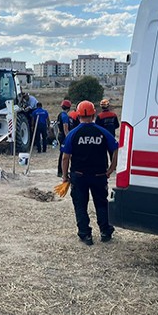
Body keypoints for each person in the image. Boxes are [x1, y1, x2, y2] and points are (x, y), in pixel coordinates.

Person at [61, 100, 118, 246]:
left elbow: (66, 157)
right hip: (99, 175)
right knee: (101, 203)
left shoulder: (73, 134)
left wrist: (64, 176)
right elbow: (115, 148)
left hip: (79, 176)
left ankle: (85, 234)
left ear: (78, 115)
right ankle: (105, 231)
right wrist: (112, 168)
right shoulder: (102, 132)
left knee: (80, 205)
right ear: (94, 114)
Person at [56, 99, 72, 177]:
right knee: (63, 154)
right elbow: (66, 129)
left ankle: (60, 171)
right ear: (68, 108)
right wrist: (69, 138)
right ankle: (61, 171)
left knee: (62, 153)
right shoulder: (65, 116)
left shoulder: (60, 115)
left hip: (60, 135)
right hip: (63, 136)